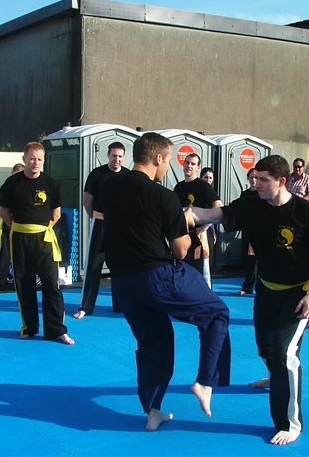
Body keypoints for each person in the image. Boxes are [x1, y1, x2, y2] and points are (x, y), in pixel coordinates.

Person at [188, 154, 309, 446]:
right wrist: (189, 213)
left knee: (284, 353)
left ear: (281, 181)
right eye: (254, 179)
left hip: (298, 292)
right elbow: (216, 214)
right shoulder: (252, 203)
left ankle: (291, 423)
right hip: (266, 289)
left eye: (263, 180)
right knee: (265, 347)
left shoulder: (305, 212)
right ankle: (276, 377)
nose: (256, 184)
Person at [102, 133, 231, 432]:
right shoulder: (163, 196)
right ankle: (205, 382)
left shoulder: (110, 187)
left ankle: (152, 412)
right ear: (158, 158)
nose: (167, 168)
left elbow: (134, 223)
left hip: (122, 283)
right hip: (157, 277)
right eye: (168, 160)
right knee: (217, 313)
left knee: (154, 343)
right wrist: (185, 222)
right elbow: (181, 250)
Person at [0, 142, 74, 345]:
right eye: (32, 158)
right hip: (20, 237)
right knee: (24, 283)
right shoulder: (12, 183)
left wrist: (42, 228)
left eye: (40, 159)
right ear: (24, 159)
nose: (36, 163)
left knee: (51, 284)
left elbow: (56, 212)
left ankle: (56, 330)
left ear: (43, 161)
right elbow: (4, 211)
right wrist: (18, 226)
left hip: (44, 239)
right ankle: (30, 327)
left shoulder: (50, 183)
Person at [74, 142, 128, 319]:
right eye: (114, 155)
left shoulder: (128, 176)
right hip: (100, 223)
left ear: (124, 157)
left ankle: (120, 305)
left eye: (120, 156)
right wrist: (95, 217)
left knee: (120, 265)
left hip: (120, 227)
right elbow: (86, 200)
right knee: (94, 265)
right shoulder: (97, 174)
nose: (117, 159)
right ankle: (86, 306)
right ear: (108, 155)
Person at [173, 153, 222, 282]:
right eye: (187, 162)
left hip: (202, 235)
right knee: (183, 268)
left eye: (193, 164)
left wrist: (206, 226)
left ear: (198, 167)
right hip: (184, 234)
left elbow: (218, 206)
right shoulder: (179, 187)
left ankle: (204, 299)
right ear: (183, 164)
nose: (189, 166)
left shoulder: (203, 186)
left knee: (201, 271)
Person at [0, 163, 24, 294]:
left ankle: (23, 282)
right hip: (8, 223)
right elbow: (0, 207)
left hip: (23, 224)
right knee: (4, 253)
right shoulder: (6, 187)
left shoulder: (27, 186)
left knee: (24, 255)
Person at [236, 167, 258, 295]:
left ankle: (258, 286)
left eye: (256, 177)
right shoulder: (245, 194)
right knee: (248, 259)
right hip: (247, 231)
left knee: (259, 260)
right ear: (248, 179)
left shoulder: (262, 194)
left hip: (260, 231)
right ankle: (248, 287)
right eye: (251, 178)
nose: (254, 180)